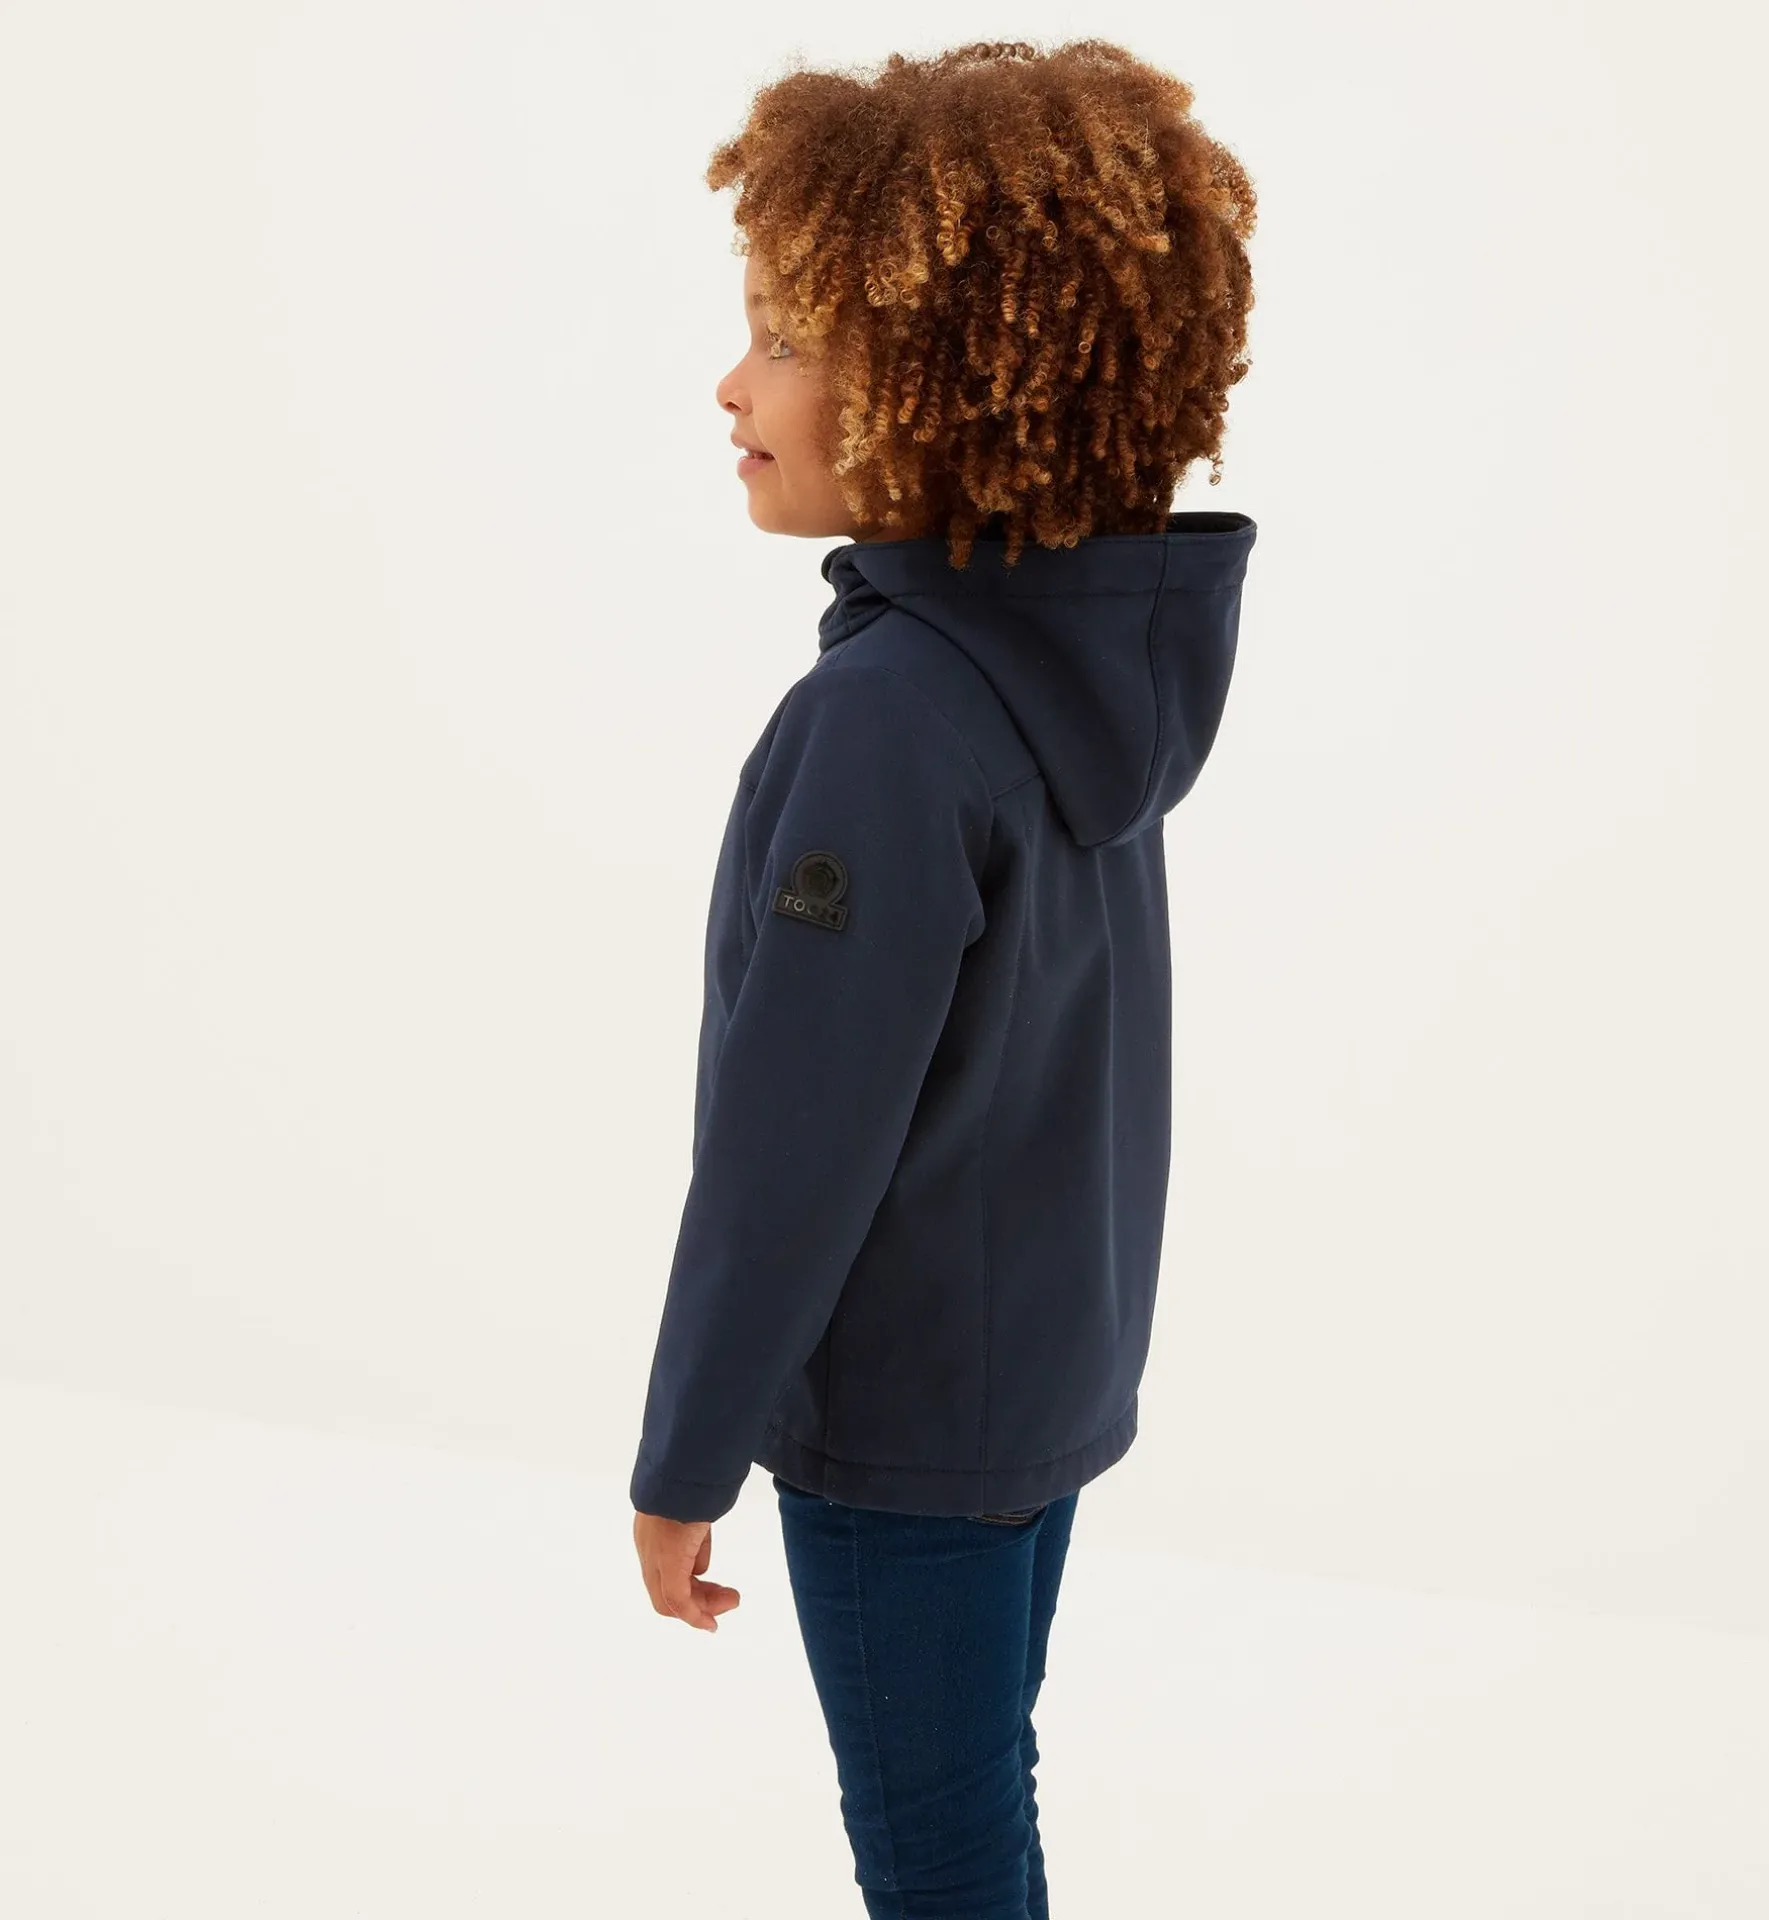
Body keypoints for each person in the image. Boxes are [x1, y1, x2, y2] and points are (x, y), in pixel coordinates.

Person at [629, 38, 1258, 1919]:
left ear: (942, 376)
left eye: (787, 338)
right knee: (980, 1803)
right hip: (1041, 1387)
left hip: (901, 1428)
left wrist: (685, 1454)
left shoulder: (891, 721)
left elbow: (794, 1141)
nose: (732, 384)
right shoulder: (1083, 675)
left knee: (940, 1853)